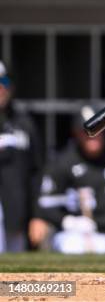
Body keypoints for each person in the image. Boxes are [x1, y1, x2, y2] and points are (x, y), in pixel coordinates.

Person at [35, 105, 105, 254]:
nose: (93, 136)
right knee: (72, 247)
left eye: (98, 129)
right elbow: (45, 203)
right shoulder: (63, 163)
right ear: (76, 133)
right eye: (87, 131)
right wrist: (67, 221)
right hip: (73, 234)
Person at [0, 61, 43, 252]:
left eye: (4, 81)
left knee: (13, 275)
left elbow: (37, 172)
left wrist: (37, 215)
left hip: (16, 214)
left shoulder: (24, 123)